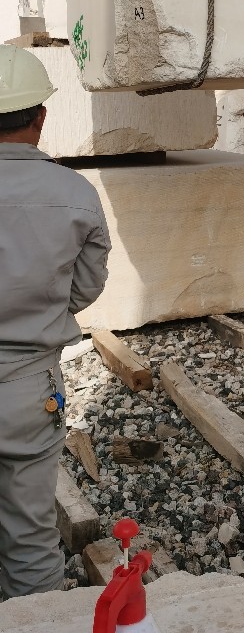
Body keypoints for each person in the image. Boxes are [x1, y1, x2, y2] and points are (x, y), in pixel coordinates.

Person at [0, 44, 111, 597]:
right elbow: (86, 287)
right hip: (29, 388)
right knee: (30, 536)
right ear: (40, 116)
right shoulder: (76, 194)